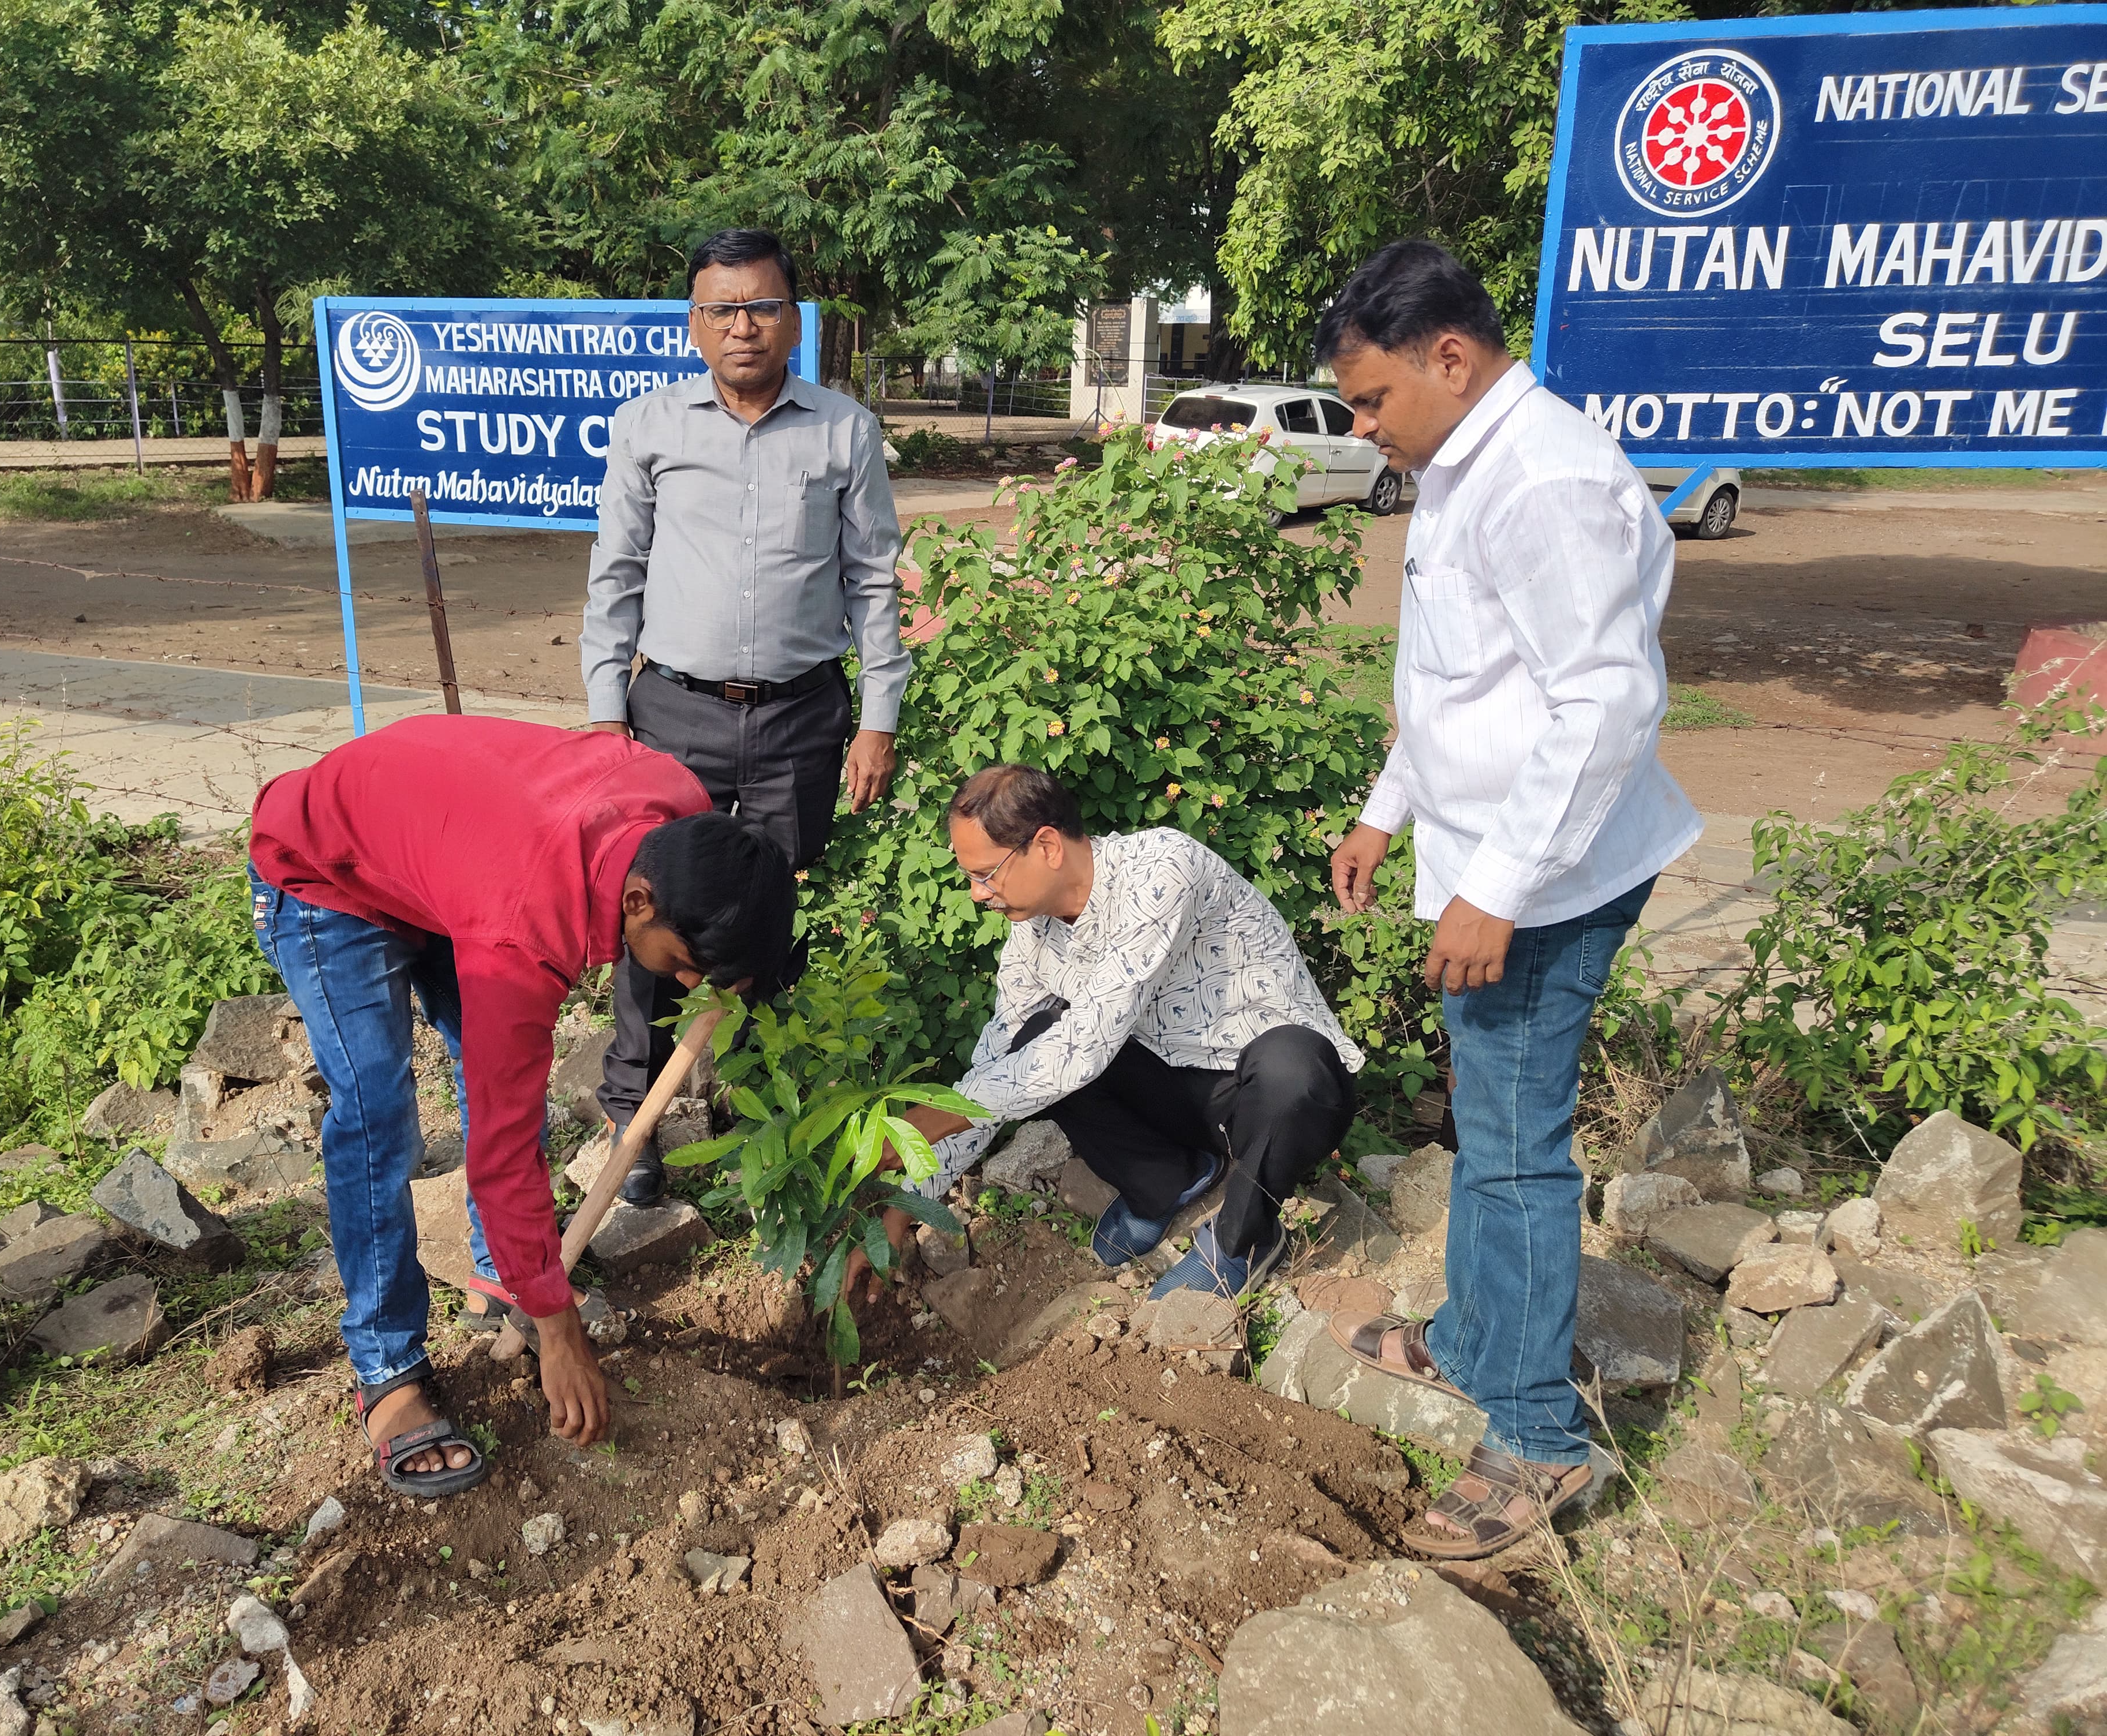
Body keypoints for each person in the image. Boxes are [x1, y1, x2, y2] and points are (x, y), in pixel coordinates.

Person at [1320, 239, 1702, 1558]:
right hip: (1497, 855)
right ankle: (1478, 1337)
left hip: (1548, 873)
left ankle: (1538, 1434)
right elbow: (1462, 685)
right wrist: (1388, 807)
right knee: (1487, 1113)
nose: (1364, 429)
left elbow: (1603, 701)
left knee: (1521, 1137)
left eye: (1371, 402)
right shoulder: (1467, 463)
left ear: (1450, 355)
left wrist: (1495, 887)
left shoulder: (1537, 477)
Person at [248, 717, 795, 1496]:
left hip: (448, 862)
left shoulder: (680, 810)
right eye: (685, 964)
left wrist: (734, 968)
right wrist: (561, 1325)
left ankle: (503, 1282)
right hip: (324, 873)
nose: (686, 985)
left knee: (499, 1080)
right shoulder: (520, 930)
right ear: (638, 901)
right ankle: (388, 1369)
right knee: (376, 1116)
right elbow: (501, 1153)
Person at [582, 226, 908, 1206]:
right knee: (653, 912)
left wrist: (878, 715)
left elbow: (875, 580)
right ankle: (632, 1119)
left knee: (765, 923)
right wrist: (606, 716)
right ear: (693, 324)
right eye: (722, 309)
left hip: (800, 720)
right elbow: (616, 577)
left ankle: (759, 1107)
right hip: (668, 714)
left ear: (793, 320)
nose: (743, 327)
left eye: (762, 306)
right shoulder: (649, 427)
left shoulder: (842, 430)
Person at [882, 765, 1365, 1300]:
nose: (978, 894)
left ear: (1046, 846)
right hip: (1179, 1093)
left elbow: (1084, 1045)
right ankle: (1167, 1182)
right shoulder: (1034, 935)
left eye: (986, 874)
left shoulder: (1160, 868)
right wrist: (908, 1202)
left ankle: (1241, 1242)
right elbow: (997, 1063)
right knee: (1033, 1039)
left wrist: (937, 1117)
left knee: (1292, 1066)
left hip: (1263, 1098)